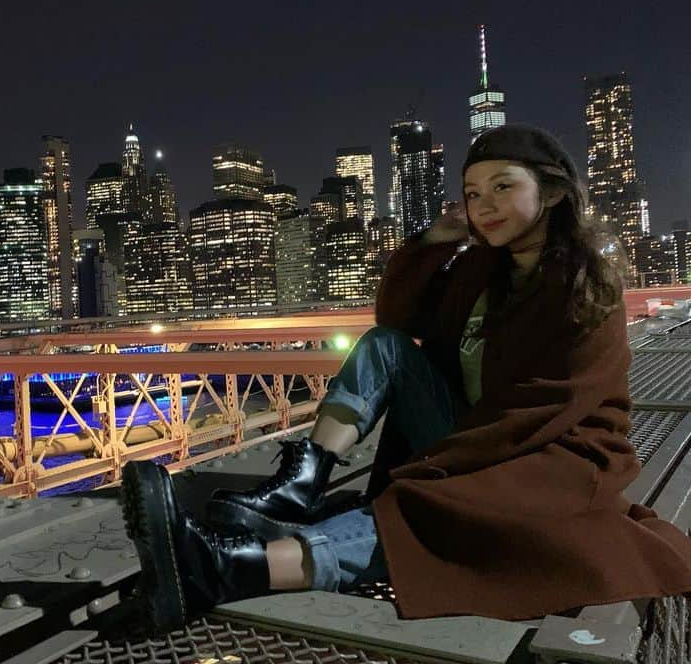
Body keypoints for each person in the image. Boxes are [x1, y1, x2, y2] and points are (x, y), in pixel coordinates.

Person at [121, 123, 691, 631]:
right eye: (472, 193)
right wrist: (434, 243)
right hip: (475, 432)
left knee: (423, 511)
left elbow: (553, 407)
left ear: (555, 192)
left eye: (502, 186)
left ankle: (224, 571)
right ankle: (302, 487)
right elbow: (394, 320)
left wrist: (447, 471)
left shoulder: (586, 288)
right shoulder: (478, 270)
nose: (484, 204)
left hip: (547, 458)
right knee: (385, 348)